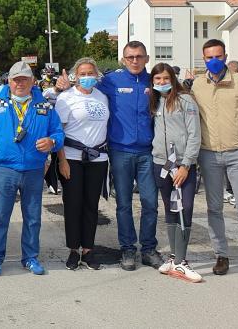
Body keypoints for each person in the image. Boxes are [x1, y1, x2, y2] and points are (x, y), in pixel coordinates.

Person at [0, 61, 64, 277]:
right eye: (16, 79)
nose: (20, 83)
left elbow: (59, 133)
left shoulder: (45, 106)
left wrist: (52, 142)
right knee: (0, 216)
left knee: (33, 217)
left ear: (32, 81)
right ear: (9, 81)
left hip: (34, 169)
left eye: (25, 79)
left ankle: (30, 257)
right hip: (5, 168)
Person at [191, 39, 238, 284]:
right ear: (203, 59)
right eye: (208, 57)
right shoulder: (197, 85)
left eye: (218, 56)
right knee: (214, 209)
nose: (213, 60)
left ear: (225, 56)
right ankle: (221, 255)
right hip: (209, 154)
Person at [97, 41, 162, 270]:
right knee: (123, 204)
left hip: (147, 152)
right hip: (120, 151)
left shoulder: (155, 81)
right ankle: (127, 249)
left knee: (150, 203)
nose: (135, 60)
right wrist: (62, 87)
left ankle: (148, 249)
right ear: (123, 59)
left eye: (139, 56)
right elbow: (85, 91)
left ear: (147, 58)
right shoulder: (111, 80)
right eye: (130, 57)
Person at [50, 58, 110, 271]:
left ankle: (89, 250)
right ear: (76, 75)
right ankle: (74, 250)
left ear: (96, 75)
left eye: (90, 73)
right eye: (82, 73)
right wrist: (62, 161)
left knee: (91, 207)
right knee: (73, 205)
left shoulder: (102, 97)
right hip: (72, 159)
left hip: (98, 159)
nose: (86, 77)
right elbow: (58, 131)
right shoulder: (66, 98)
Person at [149, 63, 202, 282]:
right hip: (161, 163)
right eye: (157, 79)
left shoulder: (185, 101)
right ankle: (174, 257)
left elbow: (194, 134)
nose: (161, 82)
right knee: (170, 209)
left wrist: (186, 165)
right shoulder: (155, 101)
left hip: (182, 164)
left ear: (172, 78)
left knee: (185, 207)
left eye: (165, 78)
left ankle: (182, 261)